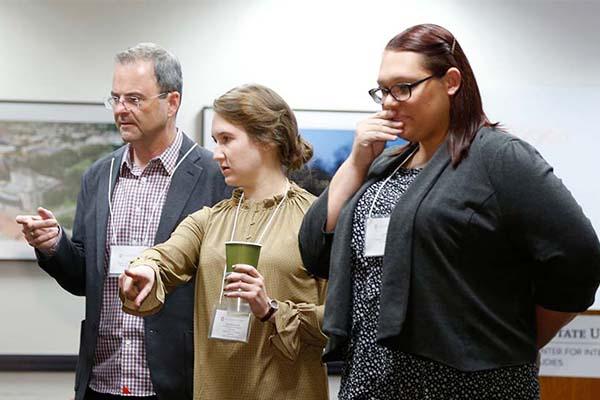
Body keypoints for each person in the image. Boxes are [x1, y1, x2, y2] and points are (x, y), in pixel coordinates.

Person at [299, 23, 600, 400]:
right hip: (372, 377)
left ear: (451, 82)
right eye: (383, 90)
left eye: (403, 87)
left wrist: (520, 337)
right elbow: (314, 249)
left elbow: (580, 257)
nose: (389, 101)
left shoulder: (498, 156)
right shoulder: (384, 164)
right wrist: (357, 162)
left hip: (468, 382)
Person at [16, 43, 229, 400]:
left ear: (171, 102)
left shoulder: (213, 175)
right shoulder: (99, 175)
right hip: (102, 380)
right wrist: (55, 245)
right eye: (115, 98)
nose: (120, 110)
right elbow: (83, 278)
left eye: (133, 99)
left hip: (177, 382)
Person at [119, 83, 329, 400]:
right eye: (216, 141)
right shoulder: (209, 220)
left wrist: (271, 310)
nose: (217, 153)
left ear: (268, 139)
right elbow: (165, 258)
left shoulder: (316, 220)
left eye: (227, 140)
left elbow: (340, 317)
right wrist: (145, 269)